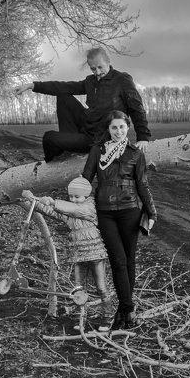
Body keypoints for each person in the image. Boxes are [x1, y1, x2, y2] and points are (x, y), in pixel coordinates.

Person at [82, 111, 157, 331]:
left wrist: (152, 213)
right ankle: (129, 309)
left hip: (130, 211)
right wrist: (75, 200)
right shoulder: (98, 151)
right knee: (118, 260)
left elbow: (142, 185)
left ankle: (123, 312)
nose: (118, 131)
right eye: (114, 128)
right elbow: (86, 179)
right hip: (105, 212)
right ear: (109, 129)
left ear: (128, 128)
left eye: (122, 127)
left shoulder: (135, 153)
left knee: (129, 260)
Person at [14, 47, 153, 162]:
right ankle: (67, 150)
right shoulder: (90, 81)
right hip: (87, 127)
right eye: (93, 69)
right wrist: (32, 85)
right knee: (63, 95)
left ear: (108, 62)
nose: (97, 72)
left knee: (49, 137)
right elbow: (63, 86)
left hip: (99, 138)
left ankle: (63, 153)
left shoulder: (122, 80)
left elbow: (136, 108)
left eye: (100, 67)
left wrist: (143, 138)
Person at [25, 179, 113, 331]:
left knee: (101, 287)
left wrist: (53, 202)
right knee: (79, 289)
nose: (73, 199)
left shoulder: (90, 207)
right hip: (79, 255)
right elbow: (51, 211)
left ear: (86, 195)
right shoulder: (69, 212)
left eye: (77, 197)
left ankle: (108, 317)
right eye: (71, 196)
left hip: (95, 255)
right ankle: (81, 319)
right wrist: (33, 199)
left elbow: (72, 209)